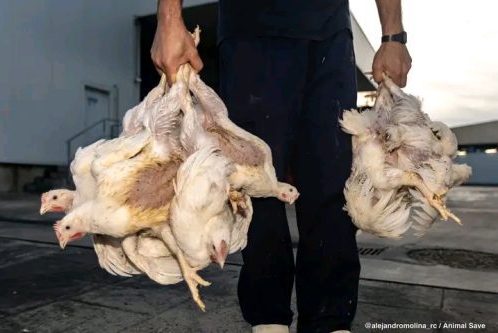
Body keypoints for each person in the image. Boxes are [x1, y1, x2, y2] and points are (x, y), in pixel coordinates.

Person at [151, 1, 411, 332]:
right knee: (256, 178)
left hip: (329, 32)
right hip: (251, 31)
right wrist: (169, 18)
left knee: (332, 183)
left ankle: (329, 320)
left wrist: (393, 36)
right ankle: (269, 319)